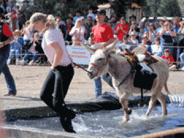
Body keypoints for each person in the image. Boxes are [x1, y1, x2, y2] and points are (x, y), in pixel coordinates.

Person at [28, 12, 76, 133]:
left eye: (34, 25)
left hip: (62, 69)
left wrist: (53, 66)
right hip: (60, 68)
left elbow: (59, 52)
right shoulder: (52, 31)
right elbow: (62, 48)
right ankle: (68, 115)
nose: (33, 28)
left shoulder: (49, 33)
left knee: (58, 103)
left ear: (39, 23)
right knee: (44, 95)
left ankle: (69, 128)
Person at [90, 9, 115, 98]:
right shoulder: (94, 28)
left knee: (107, 75)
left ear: (104, 16)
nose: (97, 16)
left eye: (100, 14)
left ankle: (119, 90)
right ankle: (97, 95)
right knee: (95, 74)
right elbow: (94, 40)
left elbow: (112, 40)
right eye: (96, 14)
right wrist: (91, 43)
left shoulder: (107, 27)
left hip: (105, 53)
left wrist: (103, 45)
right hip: (96, 53)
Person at [0, 13, 17, 96]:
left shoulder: (4, 26)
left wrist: (3, 43)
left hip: (4, 51)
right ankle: (12, 90)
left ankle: (12, 90)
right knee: (5, 71)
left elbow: (12, 38)